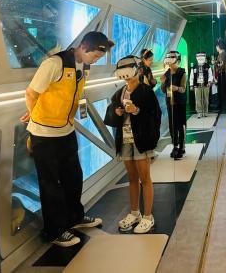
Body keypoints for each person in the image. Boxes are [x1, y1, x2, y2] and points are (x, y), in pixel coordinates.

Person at [20, 31, 113, 247]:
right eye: (95, 56)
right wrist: (34, 116)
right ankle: (54, 231)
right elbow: (31, 93)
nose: (95, 60)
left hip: (66, 131)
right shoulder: (55, 64)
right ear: (83, 47)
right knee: (50, 184)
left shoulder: (83, 66)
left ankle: (74, 218)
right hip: (44, 135)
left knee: (74, 177)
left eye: (99, 58)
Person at [104, 56, 161, 234]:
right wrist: (117, 112)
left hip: (141, 139)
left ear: (139, 70)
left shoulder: (146, 91)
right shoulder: (119, 93)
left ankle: (148, 216)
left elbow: (155, 115)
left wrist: (136, 111)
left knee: (145, 177)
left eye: (129, 72)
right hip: (125, 138)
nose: (127, 77)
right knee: (131, 177)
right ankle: (135, 212)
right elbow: (111, 114)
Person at [160, 51, 187, 160]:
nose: (170, 63)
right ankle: (175, 146)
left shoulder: (182, 73)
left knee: (181, 125)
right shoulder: (166, 74)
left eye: (173, 59)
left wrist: (176, 88)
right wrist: (162, 82)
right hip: (170, 103)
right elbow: (163, 90)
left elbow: (183, 88)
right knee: (172, 125)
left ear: (178, 61)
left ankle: (182, 147)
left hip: (180, 102)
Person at [190, 52, 213, 118]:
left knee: (206, 98)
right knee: (198, 99)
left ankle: (205, 112)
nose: (200, 58)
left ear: (204, 57)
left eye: (202, 56)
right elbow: (191, 76)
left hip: (206, 84)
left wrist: (209, 82)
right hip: (197, 85)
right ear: (196, 57)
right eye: (199, 56)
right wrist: (191, 85)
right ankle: (199, 112)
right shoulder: (194, 67)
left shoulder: (207, 66)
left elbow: (210, 75)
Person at [215, 39, 226, 112]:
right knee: (221, 91)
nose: (216, 48)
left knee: (223, 91)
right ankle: (222, 106)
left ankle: (224, 107)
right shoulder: (220, 54)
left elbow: (222, 65)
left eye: (217, 46)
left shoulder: (223, 54)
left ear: (219, 46)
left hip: (223, 74)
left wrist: (217, 68)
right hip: (221, 74)